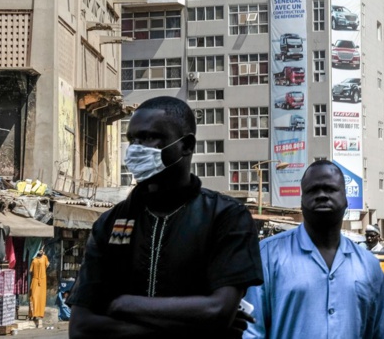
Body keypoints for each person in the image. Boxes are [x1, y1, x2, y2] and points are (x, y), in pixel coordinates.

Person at [68, 96, 263, 339]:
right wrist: (195, 327)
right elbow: (81, 328)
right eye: (132, 140)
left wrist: (123, 305)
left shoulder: (226, 217)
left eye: (149, 137)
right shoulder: (109, 223)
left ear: (187, 145)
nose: (137, 148)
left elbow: (218, 310)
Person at [244, 160, 384, 338]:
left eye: (330, 189)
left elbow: (377, 333)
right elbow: (251, 332)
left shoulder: (369, 267)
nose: (321, 195)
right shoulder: (267, 255)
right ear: (301, 200)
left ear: (346, 199)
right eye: (312, 190)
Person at [29, 248, 49, 328]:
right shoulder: (33, 259)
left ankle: (39, 314)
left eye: (41, 250)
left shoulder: (45, 257)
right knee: (33, 297)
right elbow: (30, 270)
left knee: (41, 297)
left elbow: (47, 265)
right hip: (35, 279)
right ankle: (33, 314)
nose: (40, 251)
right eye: (39, 250)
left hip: (42, 280)